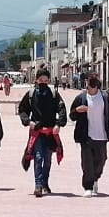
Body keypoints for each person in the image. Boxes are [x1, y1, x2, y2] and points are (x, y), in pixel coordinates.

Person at [17, 66, 67, 196]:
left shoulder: (54, 94)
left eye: (46, 80)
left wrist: (59, 124)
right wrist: (28, 121)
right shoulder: (31, 94)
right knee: (38, 157)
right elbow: (22, 110)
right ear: (36, 80)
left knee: (48, 159)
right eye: (41, 80)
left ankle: (45, 182)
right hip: (37, 132)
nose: (43, 82)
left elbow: (62, 109)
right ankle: (38, 184)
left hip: (50, 132)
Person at [71, 74, 109, 197]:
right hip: (86, 135)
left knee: (100, 161)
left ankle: (95, 179)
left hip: (102, 135)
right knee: (87, 162)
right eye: (88, 85)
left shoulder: (104, 97)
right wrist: (77, 110)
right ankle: (88, 186)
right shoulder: (81, 98)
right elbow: (71, 115)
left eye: (92, 85)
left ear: (97, 85)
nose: (90, 88)